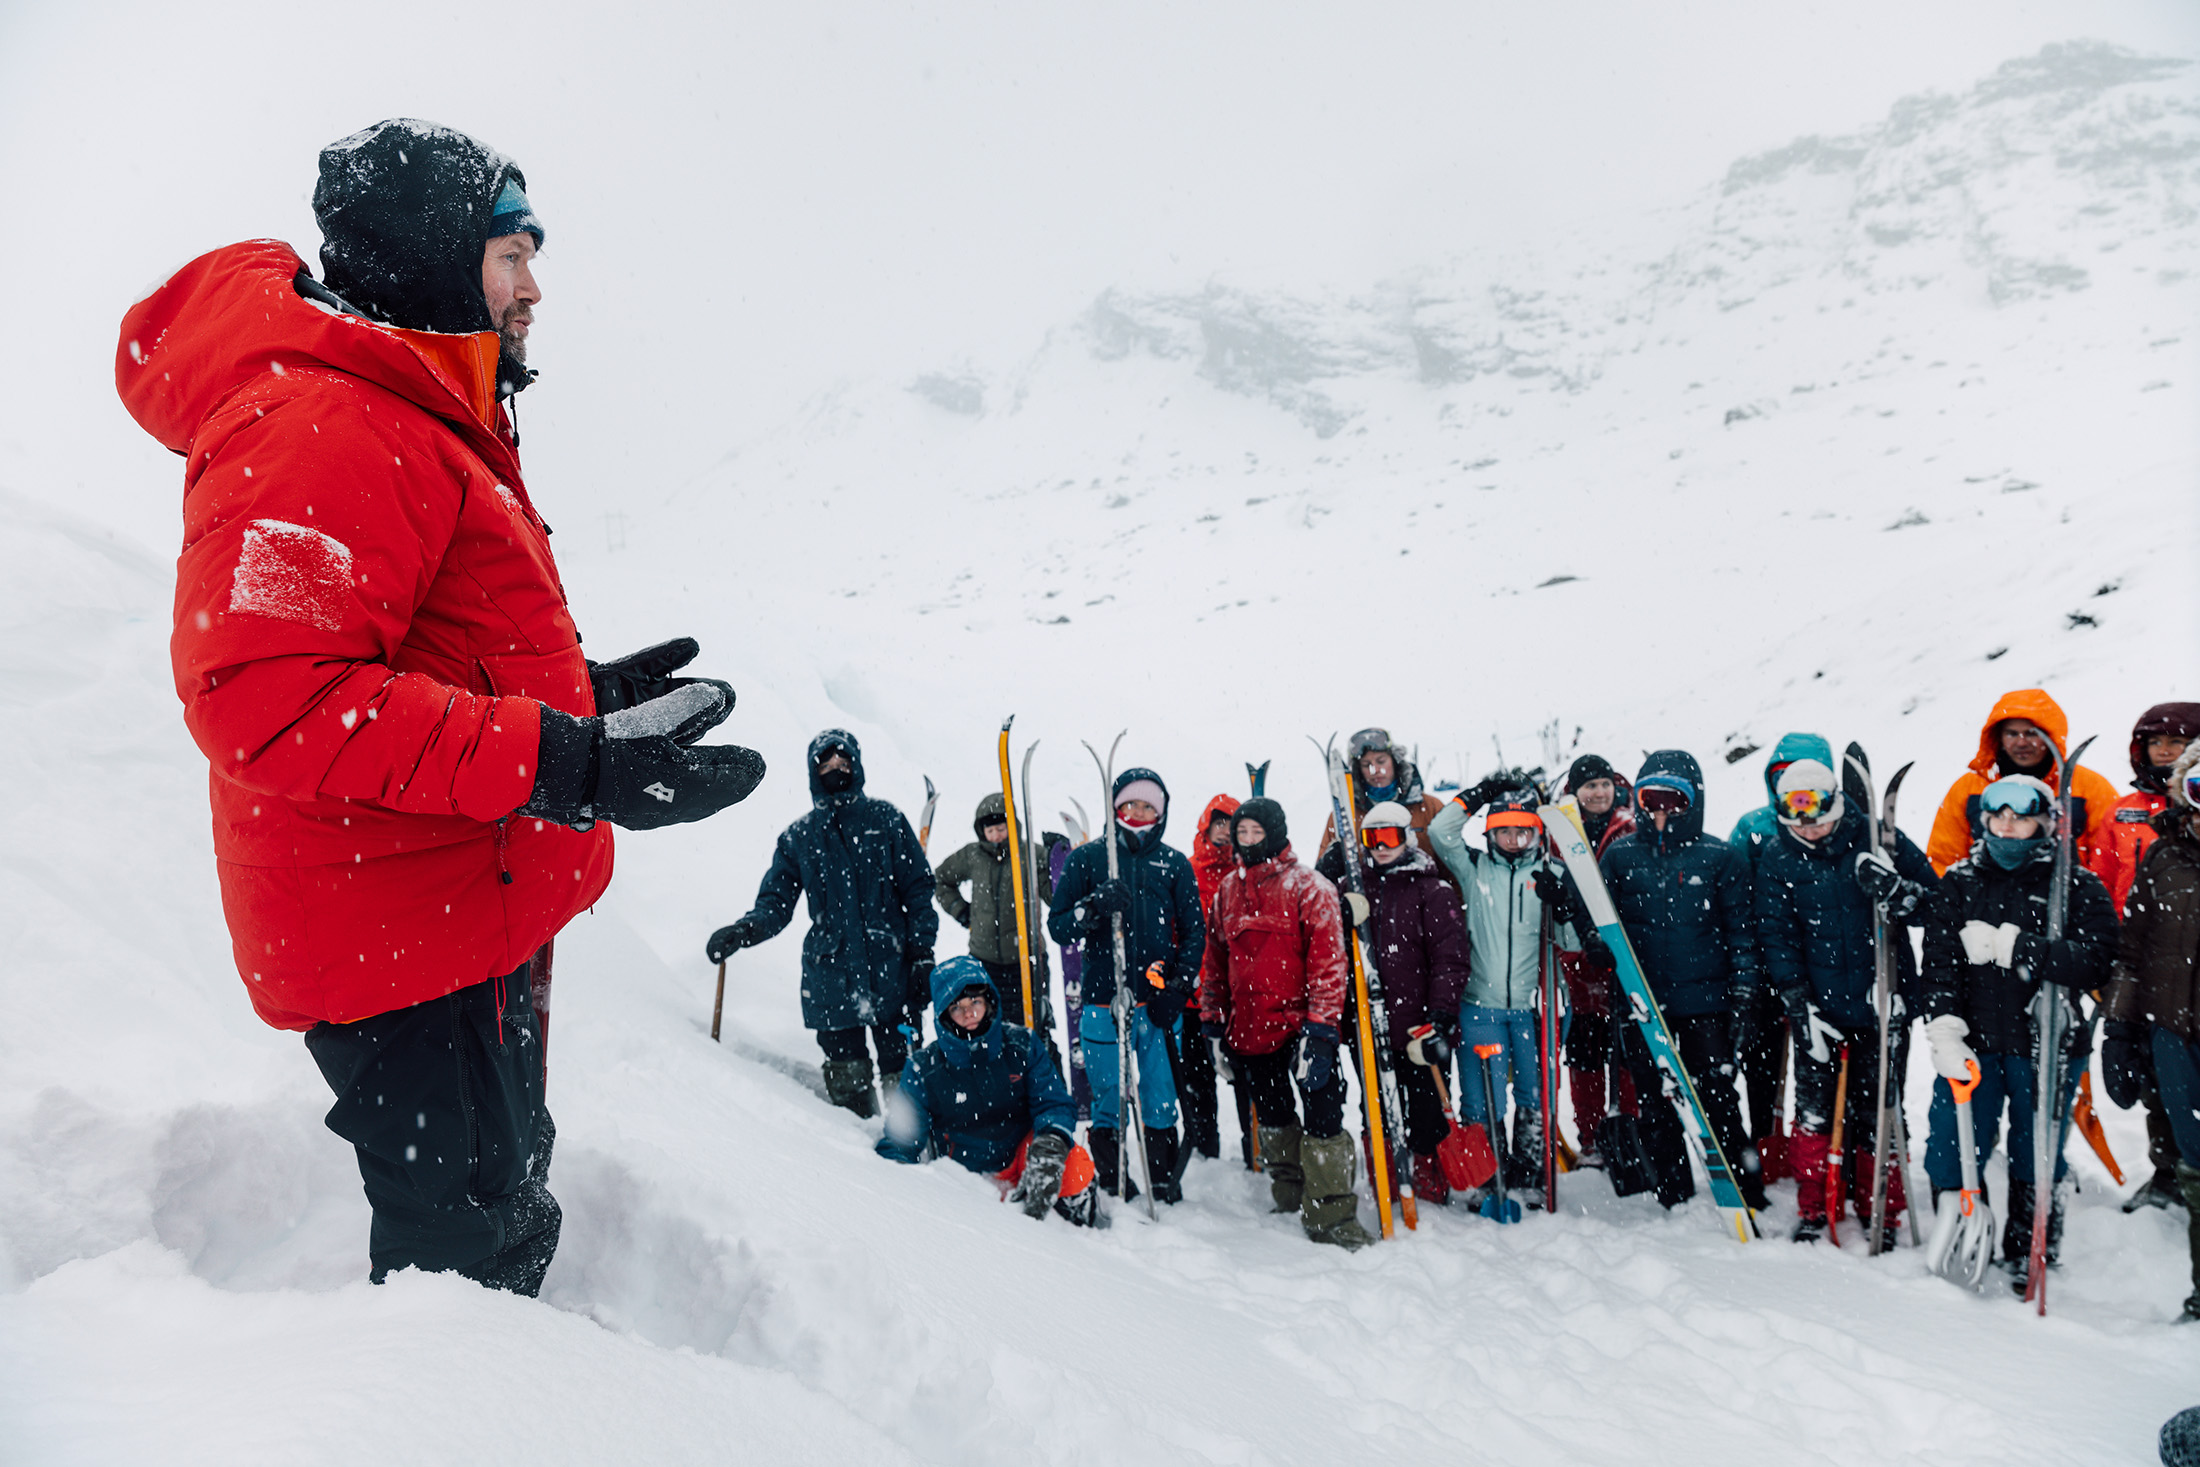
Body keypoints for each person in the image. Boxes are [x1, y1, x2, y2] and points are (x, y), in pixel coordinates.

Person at [115, 119, 763, 1295]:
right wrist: (567, 762)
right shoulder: (323, 426)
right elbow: (269, 697)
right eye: (510, 255)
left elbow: (401, 640)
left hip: (451, 899)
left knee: (504, 1191)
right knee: (463, 1256)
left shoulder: (405, 405)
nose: (534, 289)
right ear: (430, 257)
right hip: (395, 936)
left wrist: (581, 704)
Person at [1917, 774, 2116, 1291]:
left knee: (2037, 1153)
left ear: (2044, 821)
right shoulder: (1959, 882)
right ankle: (1959, 1231)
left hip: (2045, 1043)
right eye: (1997, 814)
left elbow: (2097, 963)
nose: (2007, 825)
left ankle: (2031, 1247)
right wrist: (1944, 1028)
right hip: (1974, 1045)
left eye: (2021, 815)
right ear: (1983, 819)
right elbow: (1939, 964)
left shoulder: (2076, 884)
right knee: (1953, 1146)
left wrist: (2017, 948)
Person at [1753, 759, 1939, 1241]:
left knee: (1879, 1111)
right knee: (1814, 1113)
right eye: (1798, 821)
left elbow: (1939, 907)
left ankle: (1882, 1207)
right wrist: (1798, 1002)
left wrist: (1897, 891)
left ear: (1836, 804)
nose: (1810, 830)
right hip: (1820, 1008)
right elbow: (1776, 934)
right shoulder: (1778, 856)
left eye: (1818, 817)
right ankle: (1815, 1206)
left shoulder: (1881, 840)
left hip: (1884, 1001)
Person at [709, 731, 937, 1118]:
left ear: (856, 766)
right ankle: (855, 1166)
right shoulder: (800, 837)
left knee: (907, 1084)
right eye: (826, 765)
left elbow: (918, 892)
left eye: (843, 763)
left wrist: (921, 956)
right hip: (831, 979)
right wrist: (744, 931)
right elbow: (776, 904)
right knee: (848, 1095)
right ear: (814, 773)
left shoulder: (885, 820)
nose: (836, 770)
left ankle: (913, 1166)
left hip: (893, 973)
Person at [1600, 750, 1768, 1210]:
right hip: (1643, 1002)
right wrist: (1601, 952)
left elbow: (1742, 935)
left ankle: (1742, 1187)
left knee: (1717, 1096)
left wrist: (1745, 992)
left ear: (1693, 802)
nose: (1660, 812)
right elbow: (1605, 926)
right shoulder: (1620, 857)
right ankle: (1673, 1193)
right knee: (1655, 1101)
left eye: (1674, 801)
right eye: (1651, 799)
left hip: (1706, 1004)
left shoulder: (1720, 858)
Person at [1202, 798, 1371, 1247]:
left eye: (1258, 833)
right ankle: (1291, 1195)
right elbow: (1216, 961)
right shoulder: (1227, 894)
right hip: (1251, 1028)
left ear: (1275, 834)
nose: (1250, 841)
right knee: (1274, 1117)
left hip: (1302, 1028)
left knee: (1323, 1118)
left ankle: (1331, 1214)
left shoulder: (1310, 887)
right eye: (1243, 833)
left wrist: (1321, 1030)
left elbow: (1329, 965)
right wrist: (1213, 1022)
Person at [1047, 769, 1204, 1202]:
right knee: (1109, 1099)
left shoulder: (1173, 864)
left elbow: (1195, 934)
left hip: (1156, 1005)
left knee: (1159, 1098)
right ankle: (1115, 1183)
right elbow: (1059, 926)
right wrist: (1092, 908)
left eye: (1147, 806)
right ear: (1115, 808)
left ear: (1161, 811)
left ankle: (1162, 1182)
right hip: (1102, 1000)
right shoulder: (1089, 859)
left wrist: (1178, 988)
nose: (1137, 813)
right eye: (1129, 805)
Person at [1429, 786, 1587, 1206]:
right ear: (1490, 834)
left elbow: (1570, 943)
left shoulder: (1551, 873)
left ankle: (1529, 1173)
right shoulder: (1475, 869)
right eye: (1503, 831)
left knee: (1535, 1092)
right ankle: (1488, 1177)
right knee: (1483, 1096)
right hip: (1480, 1005)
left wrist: (1566, 907)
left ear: (1537, 832)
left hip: (1535, 1007)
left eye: (1523, 831)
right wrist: (1481, 794)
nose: (1513, 840)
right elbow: (1441, 830)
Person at [1322, 801, 1471, 1204]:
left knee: (1425, 1105)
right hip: (1367, 1022)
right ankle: (1384, 1177)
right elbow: (1325, 944)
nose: (1381, 847)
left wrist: (1441, 1013)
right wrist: (1339, 908)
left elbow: (1450, 958)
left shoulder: (1433, 891)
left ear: (1407, 837)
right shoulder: (1351, 889)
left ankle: (1427, 1180)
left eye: (1389, 837)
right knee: (1376, 1103)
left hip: (1417, 1023)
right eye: (1372, 839)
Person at [877, 957, 1099, 1227]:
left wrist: (1050, 1146)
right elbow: (900, 1141)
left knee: (1075, 1167)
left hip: (1024, 1158)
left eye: (975, 1003)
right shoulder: (924, 1069)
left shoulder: (1023, 1045)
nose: (968, 1013)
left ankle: (1076, 1231)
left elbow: (1053, 1103)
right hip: (963, 1177)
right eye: (957, 1008)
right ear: (943, 1015)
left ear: (989, 1002)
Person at [2100, 747, 2200, 1319]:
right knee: (2196, 1165)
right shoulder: (2163, 858)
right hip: (2175, 1036)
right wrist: (2119, 1031)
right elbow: (2132, 956)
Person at [1729, 734, 1843, 1181]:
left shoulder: (1840, 827)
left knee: (1822, 1063)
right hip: (1767, 961)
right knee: (1763, 1063)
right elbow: (1736, 897)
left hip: (1826, 965)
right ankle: (1766, 1140)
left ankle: (1824, 1148)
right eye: (1780, 779)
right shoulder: (1755, 826)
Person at [1925, 689, 2119, 878]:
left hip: (2067, 905)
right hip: (1983, 905)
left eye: (2031, 733)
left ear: (2050, 736)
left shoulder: (2090, 788)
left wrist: (2088, 900)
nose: (2021, 742)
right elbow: (1944, 861)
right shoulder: (1967, 789)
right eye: (2012, 734)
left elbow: (2110, 862)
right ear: (1998, 737)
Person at [1554, 754, 1637, 1159]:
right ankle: (1590, 1136)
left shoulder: (1630, 826)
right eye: (1590, 786)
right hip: (1576, 954)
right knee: (1586, 1048)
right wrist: (1557, 899)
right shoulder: (1559, 833)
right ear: (1576, 792)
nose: (1599, 792)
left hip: (1623, 952)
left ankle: (1628, 1131)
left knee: (1626, 1045)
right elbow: (1553, 884)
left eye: (1604, 784)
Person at [932, 793, 1055, 1039]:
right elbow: (940, 880)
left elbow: (1054, 896)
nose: (997, 835)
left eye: (1002, 828)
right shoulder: (972, 855)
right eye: (991, 830)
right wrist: (962, 911)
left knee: (1033, 1031)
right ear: (981, 832)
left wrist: (1057, 859)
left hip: (1027, 960)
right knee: (986, 1030)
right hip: (983, 961)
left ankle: (1040, 1073)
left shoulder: (1032, 855)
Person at [1185, 793, 1246, 1162]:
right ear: (1206, 825)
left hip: (1240, 995)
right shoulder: (1188, 870)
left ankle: (1255, 1150)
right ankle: (1202, 1148)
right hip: (1196, 995)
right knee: (1197, 1080)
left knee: (1245, 1079)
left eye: (1230, 824)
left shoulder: (1246, 871)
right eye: (1218, 822)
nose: (1223, 831)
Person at [1317, 728, 1448, 865]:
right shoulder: (1344, 816)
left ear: (1395, 761)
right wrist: (1327, 868)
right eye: (1366, 765)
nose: (1375, 770)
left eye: (1381, 761)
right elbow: (1320, 881)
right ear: (1358, 769)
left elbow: (1452, 868)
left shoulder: (1429, 807)